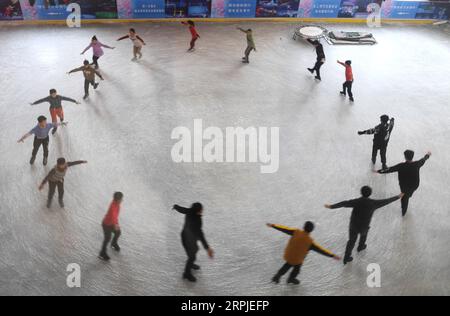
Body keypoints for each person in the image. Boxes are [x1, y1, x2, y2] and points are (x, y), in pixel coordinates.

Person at [325, 186, 403, 264]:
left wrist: (331, 206)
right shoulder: (374, 203)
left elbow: (344, 203)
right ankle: (360, 247)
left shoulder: (357, 201)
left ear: (361, 192)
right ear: (370, 193)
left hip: (353, 225)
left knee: (351, 241)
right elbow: (387, 201)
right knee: (363, 235)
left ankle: (346, 258)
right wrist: (398, 197)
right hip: (364, 226)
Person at [267, 222, 340, 285]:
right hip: (298, 259)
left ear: (303, 227)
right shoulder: (310, 242)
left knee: (287, 265)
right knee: (297, 269)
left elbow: (284, 229)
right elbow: (320, 250)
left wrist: (273, 225)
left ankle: (277, 276)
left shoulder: (296, 232)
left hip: (288, 255)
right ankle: (291, 279)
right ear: (311, 230)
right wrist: (332, 255)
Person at [377, 151, 432, 217]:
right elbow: (424, 159)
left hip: (405, 188)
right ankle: (408, 195)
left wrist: (378, 171)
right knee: (408, 194)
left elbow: (390, 169)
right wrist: (428, 155)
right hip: (414, 186)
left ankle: (404, 212)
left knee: (404, 199)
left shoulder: (401, 166)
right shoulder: (417, 164)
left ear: (405, 157)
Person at [172, 203, 214, 282]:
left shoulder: (189, 211)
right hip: (188, 239)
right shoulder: (197, 220)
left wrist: (176, 207)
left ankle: (190, 263)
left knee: (194, 251)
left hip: (186, 237)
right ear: (197, 211)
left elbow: (182, 209)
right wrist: (207, 248)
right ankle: (186, 274)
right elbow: (200, 234)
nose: (202, 210)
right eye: (201, 209)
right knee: (192, 256)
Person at [99, 192, 124, 261]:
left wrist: (117, 224)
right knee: (107, 238)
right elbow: (113, 216)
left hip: (112, 223)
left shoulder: (118, 205)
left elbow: (116, 216)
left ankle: (114, 243)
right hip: (106, 224)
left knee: (118, 232)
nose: (122, 200)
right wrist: (115, 225)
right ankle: (102, 253)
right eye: (121, 199)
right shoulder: (113, 206)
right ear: (118, 200)